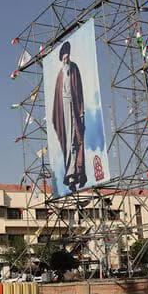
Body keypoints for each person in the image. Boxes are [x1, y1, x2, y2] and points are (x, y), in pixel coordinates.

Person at [51, 41, 87, 192]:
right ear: (61, 59)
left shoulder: (74, 69)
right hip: (65, 110)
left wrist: (81, 110)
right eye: (64, 58)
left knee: (76, 139)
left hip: (74, 107)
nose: (66, 60)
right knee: (69, 142)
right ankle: (71, 174)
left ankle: (76, 173)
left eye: (67, 57)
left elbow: (79, 90)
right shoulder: (60, 76)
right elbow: (56, 102)